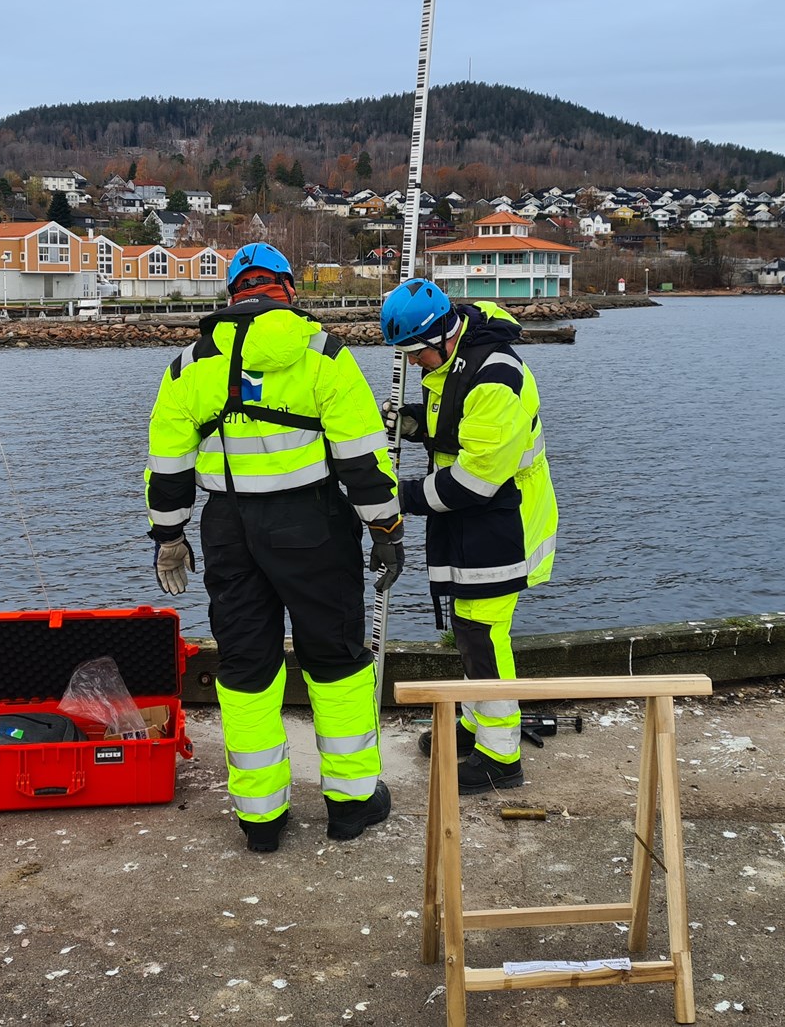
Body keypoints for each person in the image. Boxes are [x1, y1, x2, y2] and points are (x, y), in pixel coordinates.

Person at [144, 242, 404, 852]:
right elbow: (363, 455)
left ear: (233, 293)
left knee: (245, 663)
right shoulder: (322, 354)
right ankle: (351, 801)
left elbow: (167, 461)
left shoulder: (190, 364)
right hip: (312, 521)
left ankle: (260, 818)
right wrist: (386, 528)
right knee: (337, 657)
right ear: (288, 289)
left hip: (228, 527)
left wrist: (169, 534)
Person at [379, 277, 558, 793]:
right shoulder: (457, 363)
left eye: (417, 354)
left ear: (443, 336)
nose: (413, 364)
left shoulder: (495, 378)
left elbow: (476, 481)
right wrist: (413, 423)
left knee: (483, 633)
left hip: (503, 523)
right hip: (473, 524)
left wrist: (400, 496)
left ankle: (500, 757)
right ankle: (477, 724)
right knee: (468, 628)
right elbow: (453, 430)